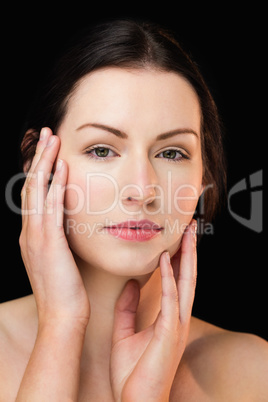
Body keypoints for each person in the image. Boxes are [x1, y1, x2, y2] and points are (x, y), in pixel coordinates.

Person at [0, 19, 267, 401]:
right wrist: (60, 327)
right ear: (37, 160)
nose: (141, 190)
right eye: (102, 150)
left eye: (172, 153)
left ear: (204, 173)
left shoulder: (253, 373)